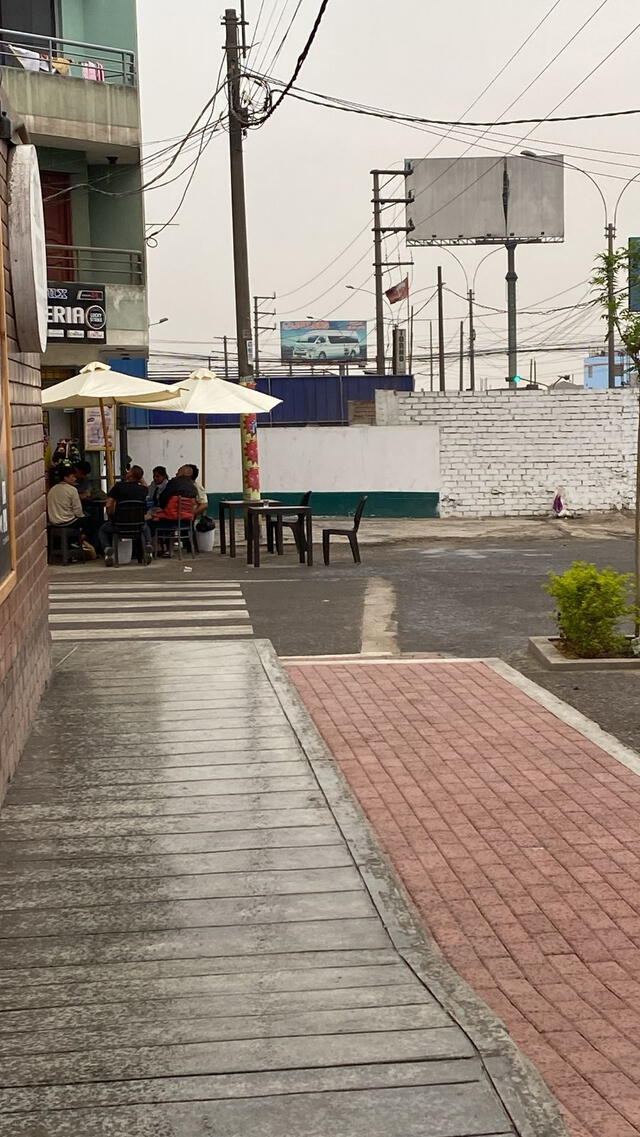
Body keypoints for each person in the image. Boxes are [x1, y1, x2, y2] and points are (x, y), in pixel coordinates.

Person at [98, 465, 151, 565]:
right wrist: (140, 478)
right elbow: (145, 485)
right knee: (145, 527)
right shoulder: (143, 490)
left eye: (129, 471)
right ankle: (148, 545)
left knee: (102, 529)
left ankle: (108, 550)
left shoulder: (119, 487)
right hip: (138, 525)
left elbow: (109, 504)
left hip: (119, 525)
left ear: (129, 475)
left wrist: (111, 516)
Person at [148, 464, 198, 556]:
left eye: (178, 471)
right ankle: (170, 550)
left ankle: (153, 549)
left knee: (150, 522)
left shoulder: (174, 483)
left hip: (171, 519)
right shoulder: (193, 487)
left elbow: (163, 499)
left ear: (183, 473)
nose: (176, 473)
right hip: (186, 521)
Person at [46, 465, 93, 549]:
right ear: (65, 477)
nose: (75, 479)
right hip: (67, 521)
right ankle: (78, 542)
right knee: (90, 520)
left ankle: (73, 542)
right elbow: (78, 512)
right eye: (72, 477)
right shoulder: (72, 490)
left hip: (53, 522)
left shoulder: (52, 489)